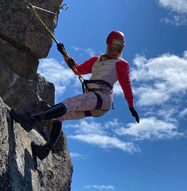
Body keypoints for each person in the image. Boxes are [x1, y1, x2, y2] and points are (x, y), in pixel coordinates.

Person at [11, 31, 139, 160]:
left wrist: (131, 106)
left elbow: (126, 85)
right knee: (59, 116)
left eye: (119, 49)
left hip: (102, 98)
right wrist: (65, 54)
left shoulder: (121, 64)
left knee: (69, 103)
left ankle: (31, 120)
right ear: (108, 45)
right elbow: (78, 69)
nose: (115, 52)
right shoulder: (96, 60)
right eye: (113, 48)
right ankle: (45, 150)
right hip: (94, 100)